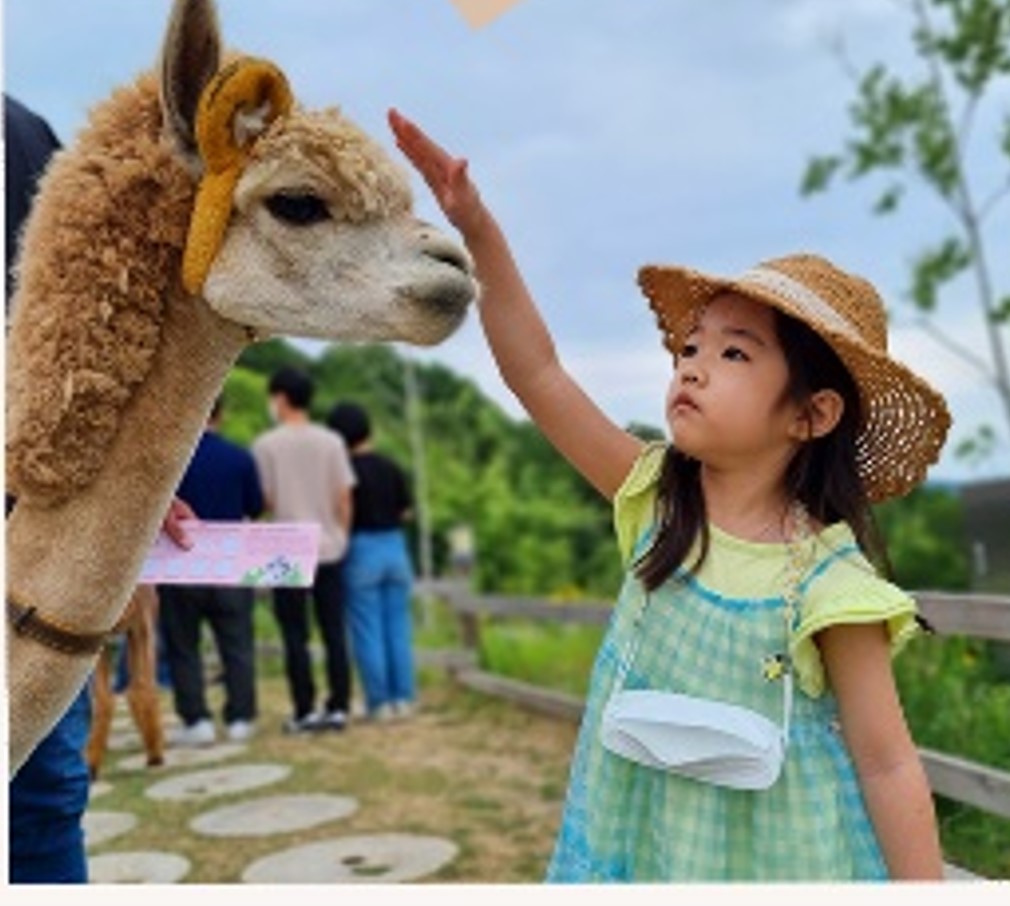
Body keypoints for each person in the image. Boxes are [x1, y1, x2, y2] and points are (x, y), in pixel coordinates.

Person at [389, 109, 949, 881]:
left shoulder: (832, 587)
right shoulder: (657, 500)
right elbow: (539, 373)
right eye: (690, 347)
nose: (690, 366)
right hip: (642, 846)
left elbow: (888, 766)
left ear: (810, 414)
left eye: (732, 353)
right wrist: (478, 230)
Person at [4, 92, 197, 885]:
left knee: (42, 794)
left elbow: (66, 320)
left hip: (33, 550)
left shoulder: (21, 134)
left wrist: (128, 484)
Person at [253, 367, 357, 733]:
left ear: (280, 398)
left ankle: (304, 710)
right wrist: (342, 537)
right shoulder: (332, 441)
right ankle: (340, 706)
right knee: (333, 632)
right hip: (328, 544)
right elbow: (344, 497)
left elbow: (263, 500)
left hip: (285, 548)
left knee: (294, 635)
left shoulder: (266, 445)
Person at [158, 395, 265, 745]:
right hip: (231, 562)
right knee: (237, 644)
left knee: (183, 646)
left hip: (180, 563)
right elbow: (256, 506)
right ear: (222, 414)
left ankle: (196, 721)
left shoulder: (171, 460)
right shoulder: (240, 457)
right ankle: (240, 718)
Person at [327, 402, 416, 721]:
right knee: (398, 628)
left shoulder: (344, 472)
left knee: (368, 630)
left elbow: (340, 512)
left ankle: (380, 703)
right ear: (369, 430)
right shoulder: (391, 466)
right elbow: (407, 512)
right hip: (395, 547)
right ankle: (404, 698)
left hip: (361, 549)